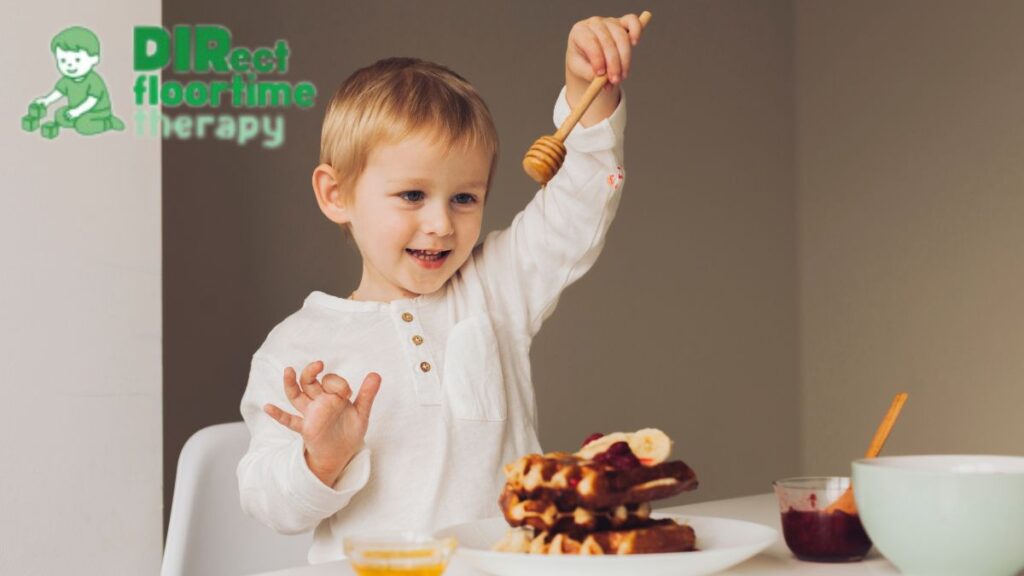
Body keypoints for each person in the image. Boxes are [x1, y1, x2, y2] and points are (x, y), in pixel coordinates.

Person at [238, 13, 643, 563]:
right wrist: (322, 460)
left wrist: (585, 91)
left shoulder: (494, 288)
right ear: (337, 195)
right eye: (411, 195)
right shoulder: (294, 348)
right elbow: (267, 503)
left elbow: (579, 203)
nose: (441, 224)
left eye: (464, 198)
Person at [25, 26, 125, 138]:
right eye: (63, 60)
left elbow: (91, 101)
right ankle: (77, 120)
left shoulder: (94, 80)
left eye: (77, 60)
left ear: (94, 59)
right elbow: (58, 92)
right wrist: (46, 100)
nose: (69, 65)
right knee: (59, 115)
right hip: (76, 110)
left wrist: (77, 111)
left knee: (83, 126)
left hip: (97, 113)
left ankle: (108, 122)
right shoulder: (66, 80)